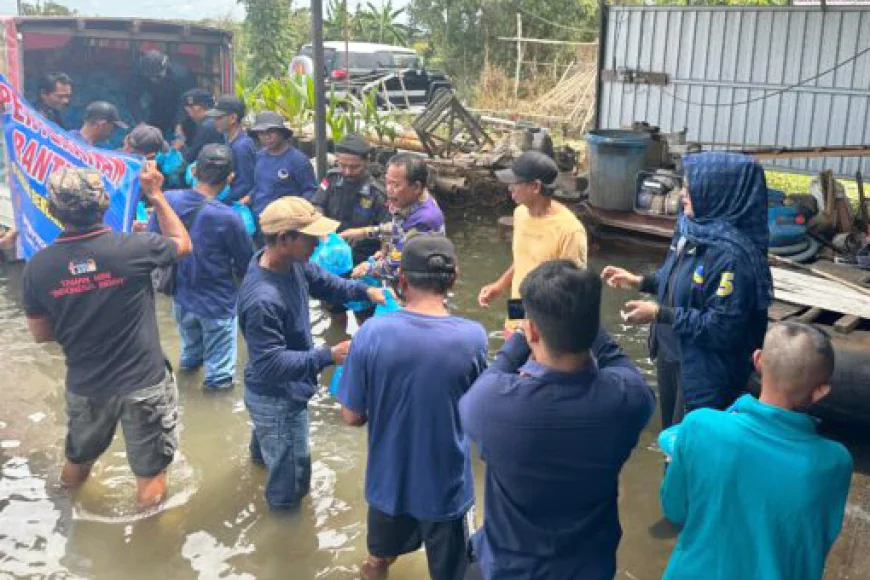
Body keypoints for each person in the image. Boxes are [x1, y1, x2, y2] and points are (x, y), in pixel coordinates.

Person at [459, 260, 655, 580]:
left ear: (533, 329)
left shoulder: (492, 404)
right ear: (592, 327)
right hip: (588, 568)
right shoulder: (627, 401)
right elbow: (620, 363)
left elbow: (490, 377)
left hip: (509, 570)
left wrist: (522, 336)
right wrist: (584, 323)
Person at [21, 164, 192, 508]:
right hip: (144, 382)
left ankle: (67, 521)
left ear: (52, 211)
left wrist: (78, 315)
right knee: (150, 475)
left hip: (86, 384)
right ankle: (147, 552)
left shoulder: (38, 266)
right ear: (103, 205)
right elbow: (182, 244)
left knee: (78, 461)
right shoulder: (134, 248)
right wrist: (156, 195)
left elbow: (41, 334)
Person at [338, 235, 488, 580]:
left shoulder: (371, 334)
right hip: (446, 488)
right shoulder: (473, 337)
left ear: (401, 279)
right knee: (454, 572)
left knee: (377, 561)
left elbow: (351, 415)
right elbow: (480, 416)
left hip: (387, 483)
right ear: (453, 278)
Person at [659, 322, 852, 580]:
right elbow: (817, 539)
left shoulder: (699, 426)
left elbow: (674, 509)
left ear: (758, 360)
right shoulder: (834, 462)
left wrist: (679, 461)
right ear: (821, 391)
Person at [601, 152, 772, 428]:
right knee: (671, 440)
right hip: (673, 355)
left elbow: (722, 328)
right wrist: (640, 282)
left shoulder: (734, 258)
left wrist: (661, 314)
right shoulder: (692, 229)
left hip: (703, 370)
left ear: (719, 193)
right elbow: (678, 279)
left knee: (692, 446)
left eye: (691, 189)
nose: (682, 195)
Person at [237, 196, 386, 510]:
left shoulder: (292, 264)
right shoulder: (263, 299)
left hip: (269, 393)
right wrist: (328, 355)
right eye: (310, 237)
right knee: (291, 485)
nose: (320, 241)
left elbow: (330, 285)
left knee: (267, 455)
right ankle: (284, 540)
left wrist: (366, 290)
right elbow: (269, 363)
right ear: (283, 239)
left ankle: (259, 473)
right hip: (278, 398)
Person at [148, 144, 253, 390]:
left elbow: (154, 241)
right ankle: (215, 421)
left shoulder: (168, 200)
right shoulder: (229, 217)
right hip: (217, 302)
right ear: (230, 178)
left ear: (194, 171)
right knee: (220, 375)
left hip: (181, 296)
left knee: (190, 357)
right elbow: (246, 262)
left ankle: (184, 396)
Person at [477, 152, 587, 335]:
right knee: (510, 357)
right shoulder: (520, 214)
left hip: (545, 330)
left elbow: (573, 290)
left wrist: (537, 327)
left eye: (515, 183)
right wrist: (500, 285)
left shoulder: (570, 231)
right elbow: (524, 261)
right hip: (517, 313)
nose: (510, 188)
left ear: (535, 186)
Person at [312, 133, 389, 326]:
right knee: (334, 310)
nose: (346, 171)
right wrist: (321, 225)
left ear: (367, 161)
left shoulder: (377, 193)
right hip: (332, 260)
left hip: (361, 265)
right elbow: (317, 204)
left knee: (364, 316)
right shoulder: (331, 179)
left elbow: (388, 231)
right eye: (342, 165)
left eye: (354, 167)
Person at [342, 153, 445, 282]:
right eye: (387, 182)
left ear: (416, 187)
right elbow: (399, 228)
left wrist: (368, 268)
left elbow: (393, 265)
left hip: (417, 287)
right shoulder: (411, 201)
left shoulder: (425, 219)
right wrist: (365, 232)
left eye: (395, 185)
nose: (389, 190)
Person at [248, 111, 318, 226]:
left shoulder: (298, 160)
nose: (266, 137)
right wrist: (248, 198)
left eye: (271, 132)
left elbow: (310, 191)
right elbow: (259, 186)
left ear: (281, 133)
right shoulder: (260, 156)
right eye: (261, 133)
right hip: (259, 219)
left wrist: (295, 214)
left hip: (283, 223)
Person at [129, 50, 195, 136]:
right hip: (157, 106)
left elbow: (187, 103)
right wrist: (140, 121)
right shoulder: (139, 71)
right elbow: (133, 97)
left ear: (166, 68)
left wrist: (179, 123)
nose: (153, 80)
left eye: (157, 76)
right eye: (150, 77)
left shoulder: (182, 75)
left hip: (179, 106)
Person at [206, 95, 257, 204]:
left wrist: (219, 200)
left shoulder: (242, 147)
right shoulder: (229, 139)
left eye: (219, 118)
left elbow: (245, 184)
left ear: (233, 118)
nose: (215, 121)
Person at [177, 89, 223, 166]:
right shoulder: (215, 120)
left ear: (197, 108)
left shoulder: (206, 126)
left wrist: (181, 146)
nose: (189, 115)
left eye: (188, 111)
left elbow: (190, 157)